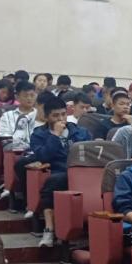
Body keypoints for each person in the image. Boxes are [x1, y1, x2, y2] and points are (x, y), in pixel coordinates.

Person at [30, 97, 92, 247]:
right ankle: (49, 230)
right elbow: (42, 157)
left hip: (82, 172)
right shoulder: (39, 134)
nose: (61, 119)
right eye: (55, 115)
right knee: (54, 181)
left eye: (63, 114)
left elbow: (90, 152)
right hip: (58, 172)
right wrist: (55, 136)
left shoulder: (80, 131)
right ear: (46, 117)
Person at [0, 81, 40, 150]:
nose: (29, 98)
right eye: (25, 96)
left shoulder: (40, 115)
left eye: (32, 95)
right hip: (16, 151)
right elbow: (5, 140)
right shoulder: (7, 116)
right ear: (17, 97)